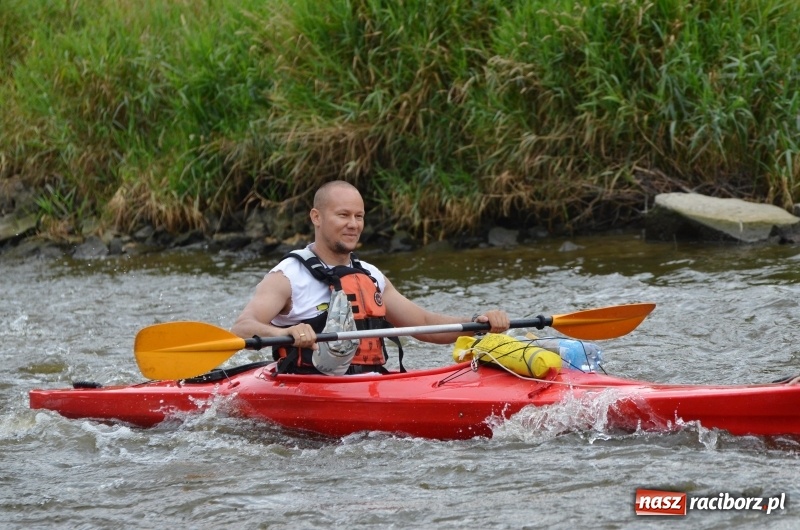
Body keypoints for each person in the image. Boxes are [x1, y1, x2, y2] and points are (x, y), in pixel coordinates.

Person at [231, 180, 510, 375]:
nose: (353, 224)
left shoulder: (370, 275)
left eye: (359, 216)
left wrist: (477, 324)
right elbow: (242, 327)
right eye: (343, 215)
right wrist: (285, 333)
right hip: (308, 385)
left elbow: (424, 324)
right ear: (316, 217)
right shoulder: (288, 276)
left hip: (371, 381)